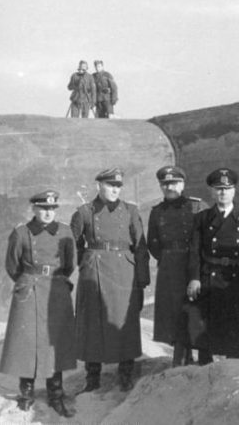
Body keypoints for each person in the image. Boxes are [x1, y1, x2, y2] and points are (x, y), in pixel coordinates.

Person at [72, 168, 150, 393]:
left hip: (124, 270)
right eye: (110, 185)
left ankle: (125, 374)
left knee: (124, 323)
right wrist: (86, 265)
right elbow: (73, 246)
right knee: (93, 323)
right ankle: (92, 377)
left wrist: (142, 279)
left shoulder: (130, 211)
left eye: (118, 186)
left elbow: (141, 247)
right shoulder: (84, 212)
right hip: (95, 271)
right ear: (99, 186)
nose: (115, 190)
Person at [0, 190, 76, 417]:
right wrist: (27, 280)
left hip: (55, 289)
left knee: (55, 343)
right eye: (43, 209)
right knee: (28, 343)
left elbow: (69, 263)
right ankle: (27, 393)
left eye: (52, 209)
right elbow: (12, 265)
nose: (48, 213)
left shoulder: (65, 232)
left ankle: (56, 394)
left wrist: (54, 279)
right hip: (29, 290)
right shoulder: (21, 233)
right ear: (34, 209)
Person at [185, 168, 239, 363]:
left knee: (235, 327)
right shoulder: (202, 219)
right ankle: (205, 366)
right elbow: (195, 251)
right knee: (206, 327)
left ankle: (233, 366)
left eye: (227, 188)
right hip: (209, 278)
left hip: (236, 278)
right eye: (218, 189)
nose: (223, 192)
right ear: (211, 192)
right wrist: (194, 278)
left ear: (234, 191)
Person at [148, 166, 207, 366]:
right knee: (173, 311)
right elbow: (153, 242)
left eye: (174, 183)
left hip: (193, 262)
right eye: (165, 184)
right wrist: (167, 258)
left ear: (182, 184)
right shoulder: (157, 212)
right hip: (169, 266)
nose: (169, 187)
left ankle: (198, 355)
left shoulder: (197, 207)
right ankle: (181, 355)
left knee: (194, 310)